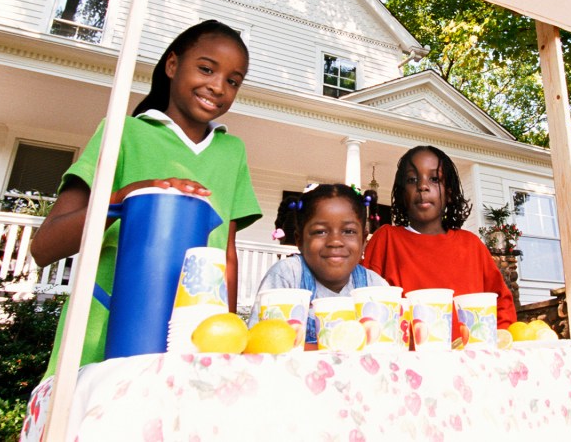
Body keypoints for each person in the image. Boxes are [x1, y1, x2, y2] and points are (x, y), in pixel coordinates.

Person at [31, 20, 262, 374]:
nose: (218, 86)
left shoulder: (233, 152)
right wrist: (127, 197)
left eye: (233, 81)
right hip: (103, 332)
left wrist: (227, 339)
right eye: (206, 69)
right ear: (172, 65)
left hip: (195, 342)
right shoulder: (122, 134)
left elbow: (225, 252)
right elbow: (44, 247)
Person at [361, 145, 516, 334]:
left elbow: (501, 303)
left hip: (470, 359)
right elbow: (364, 299)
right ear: (403, 194)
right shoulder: (386, 240)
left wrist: (498, 342)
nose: (422, 186)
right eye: (412, 179)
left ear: (449, 194)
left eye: (434, 179)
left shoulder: (471, 245)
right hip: (406, 360)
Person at [249, 184, 388, 345]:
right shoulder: (288, 276)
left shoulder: (374, 287)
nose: (335, 242)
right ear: (299, 240)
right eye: (320, 231)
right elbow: (259, 347)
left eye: (348, 231)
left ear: (363, 240)